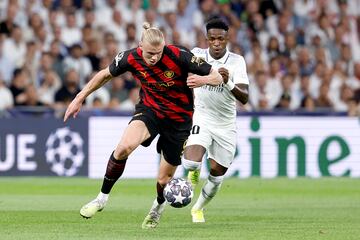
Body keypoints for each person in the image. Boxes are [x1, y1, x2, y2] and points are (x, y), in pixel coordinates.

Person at [63, 22, 223, 229]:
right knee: (123, 148)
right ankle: (101, 199)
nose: (154, 58)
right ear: (140, 47)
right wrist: (79, 98)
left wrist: (203, 81)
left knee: (164, 180)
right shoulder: (130, 57)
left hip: (179, 120)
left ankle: (157, 208)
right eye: (150, 53)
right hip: (150, 111)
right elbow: (104, 75)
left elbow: (217, 75)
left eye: (158, 53)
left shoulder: (179, 55)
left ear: (164, 46)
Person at [182, 17, 249, 223]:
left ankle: (198, 208)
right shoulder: (197, 55)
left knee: (217, 175)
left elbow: (244, 97)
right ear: (207, 39)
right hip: (202, 116)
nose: (217, 43)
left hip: (226, 124)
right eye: (213, 39)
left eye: (221, 39)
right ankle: (193, 172)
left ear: (227, 38)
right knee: (191, 163)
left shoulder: (237, 61)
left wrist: (228, 81)